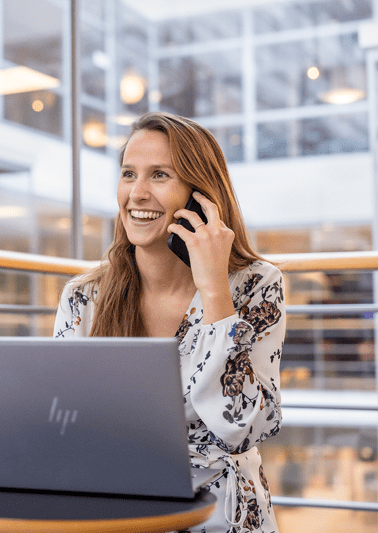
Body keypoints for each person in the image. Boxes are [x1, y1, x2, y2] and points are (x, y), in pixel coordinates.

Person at [54, 111, 285, 533]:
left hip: (220, 513)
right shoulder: (84, 296)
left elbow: (242, 429)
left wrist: (214, 291)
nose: (137, 193)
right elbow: (64, 424)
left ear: (202, 197)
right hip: (117, 503)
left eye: (159, 175)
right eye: (128, 174)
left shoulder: (256, 285)